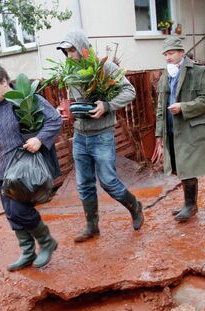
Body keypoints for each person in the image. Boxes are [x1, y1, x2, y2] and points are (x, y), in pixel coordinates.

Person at [56, 29, 144, 243]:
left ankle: (135, 206)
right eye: (66, 52)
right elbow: (75, 102)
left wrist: (107, 105)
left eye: (72, 51)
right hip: (80, 136)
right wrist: (67, 111)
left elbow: (129, 91)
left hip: (102, 135)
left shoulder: (105, 68)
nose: (69, 56)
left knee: (108, 181)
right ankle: (91, 226)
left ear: (83, 48)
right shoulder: (71, 75)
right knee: (84, 183)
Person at [0, 62, 62, 270]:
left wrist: (39, 139)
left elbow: (55, 120)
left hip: (22, 170)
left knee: (20, 211)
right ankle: (27, 252)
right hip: (1, 169)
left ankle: (47, 241)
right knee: (11, 213)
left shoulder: (25, 99)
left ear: (4, 81)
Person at [152, 36, 205, 222]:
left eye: (172, 53)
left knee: (187, 166)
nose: (168, 57)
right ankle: (189, 203)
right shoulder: (165, 75)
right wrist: (159, 134)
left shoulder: (199, 72)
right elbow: (160, 107)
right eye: (165, 54)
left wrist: (183, 107)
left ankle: (190, 206)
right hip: (171, 128)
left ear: (182, 53)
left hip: (191, 128)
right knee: (179, 166)